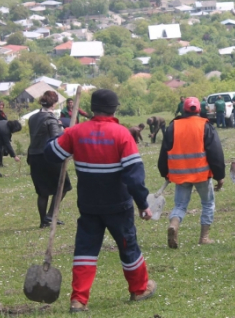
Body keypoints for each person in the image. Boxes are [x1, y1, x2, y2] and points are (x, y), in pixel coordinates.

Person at [44, 89, 156, 313]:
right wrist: (143, 204)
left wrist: (63, 134)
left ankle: (78, 299)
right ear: (115, 108)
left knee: (85, 251)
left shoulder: (76, 132)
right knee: (128, 247)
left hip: (88, 205)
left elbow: (51, 154)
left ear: (93, 107)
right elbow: (134, 177)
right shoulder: (122, 134)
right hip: (118, 205)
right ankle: (139, 289)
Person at [158, 97, 225, 248]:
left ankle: (174, 224)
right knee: (207, 204)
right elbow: (215, 153)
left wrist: (165, 172)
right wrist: (219, 176)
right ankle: (204, 237)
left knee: (180, 205)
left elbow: (164, 151)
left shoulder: (173, 126)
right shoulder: (205, 126)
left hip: (180, 174)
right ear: (199, 110)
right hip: (201, 174)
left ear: (184, 110)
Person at [27, 91, 71, 228]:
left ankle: (43, 220)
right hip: (48, 156)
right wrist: (63, 129)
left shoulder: (32, 118)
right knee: (63, 186)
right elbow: (57, 139)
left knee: (42, 190)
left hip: (33, 156)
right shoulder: (51, 119)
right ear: (54, 103)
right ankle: (50, 215)